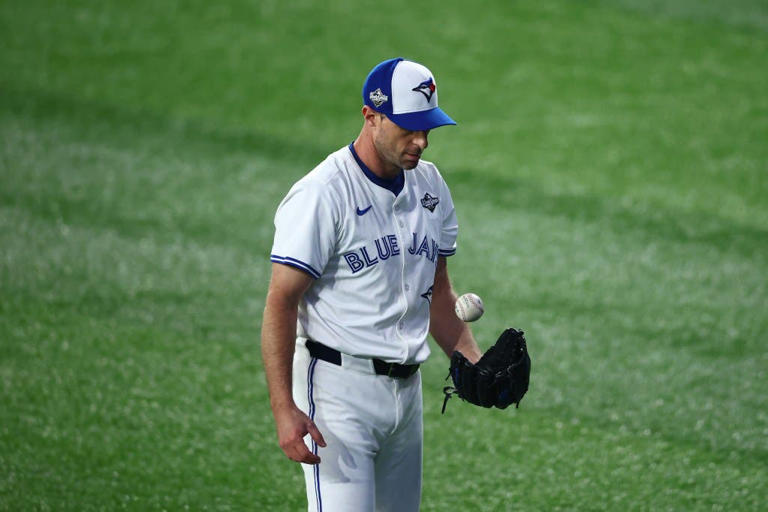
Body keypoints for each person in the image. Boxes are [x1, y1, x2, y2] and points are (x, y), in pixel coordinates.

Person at [261, 57, 482, 512]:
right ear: (371, 116)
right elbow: (281, 302)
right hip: (338, 396)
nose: (420, 142)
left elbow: (438, 295)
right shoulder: (324, 194)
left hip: (406, 396)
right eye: (408, 129)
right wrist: (284, 410)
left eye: (428, 129)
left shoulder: (431, 186)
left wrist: (473, 362)